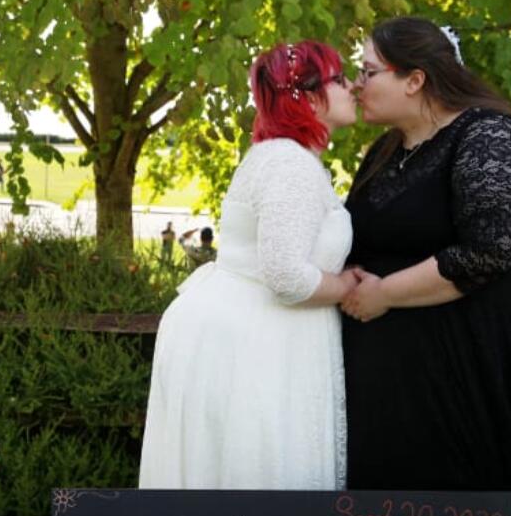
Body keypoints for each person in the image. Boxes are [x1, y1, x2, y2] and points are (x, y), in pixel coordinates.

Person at [339, 17, 511, 492]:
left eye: (368, 72)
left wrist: (385, 294)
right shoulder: (385, 150)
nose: (357, 85)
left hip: (468, 376)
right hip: (391, 387)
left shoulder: (486, 135)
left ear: (414, 79)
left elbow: (492, 247)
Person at [140, 40, 358, 488]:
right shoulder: (290, 165)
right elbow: (285, 275)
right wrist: (347, 286)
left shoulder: (283, 157)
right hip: (260, 350)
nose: (352, 86)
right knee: (259, 485)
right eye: (339, 78)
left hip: (253, 338)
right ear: (310, 96)